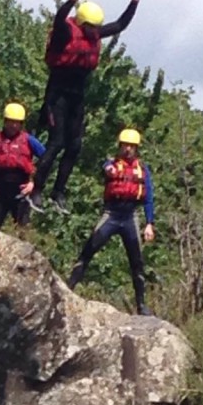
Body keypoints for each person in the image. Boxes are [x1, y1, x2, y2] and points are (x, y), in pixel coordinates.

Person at [31, 0, 141, 212]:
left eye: (95, 27)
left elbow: (120, 25)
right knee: (56, 142)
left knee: (75, 146)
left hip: (76, 95)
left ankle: (58, 192)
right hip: (57, 94)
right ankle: (36, 190)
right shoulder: (66, 33)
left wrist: (133, 3)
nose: (94, 31)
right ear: (81, 22)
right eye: (90, 27)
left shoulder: (93, 34)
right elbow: (59, 18)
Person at [67, 128, 155, 315]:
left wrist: (149, 223)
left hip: (130, 216)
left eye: (132, 146)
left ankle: (141, 304)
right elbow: (105, 168)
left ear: (136, 148)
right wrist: (107, 168)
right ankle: (69, 287)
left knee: (137, 261)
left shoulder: (143, 170)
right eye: (125, 145)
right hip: (112, 214)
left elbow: (148, 198)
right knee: (89, 248)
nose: (128, 149)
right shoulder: (111, 164)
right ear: (120, 146)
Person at [0, 103, 45, 230]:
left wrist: (33, 183)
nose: (14, 125)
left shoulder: (29, 140)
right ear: (5, 121)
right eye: (11, 122)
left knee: (23, 229)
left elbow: (46, 159)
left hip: (20, 192)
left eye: (17, 122)